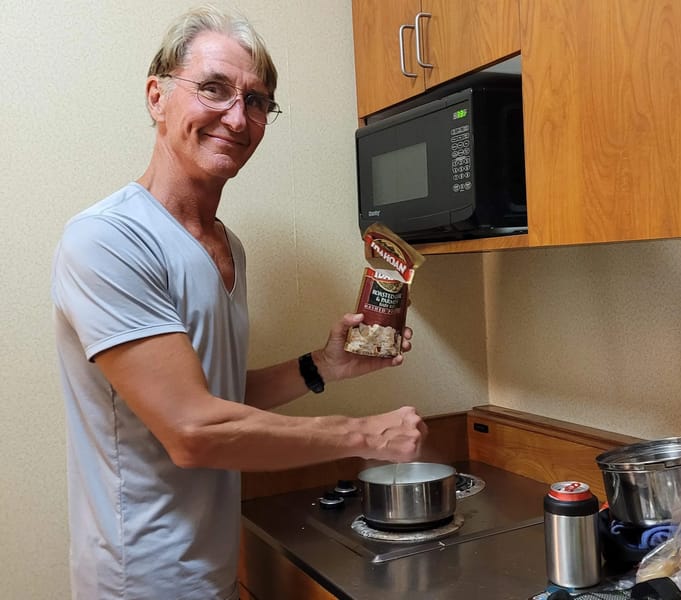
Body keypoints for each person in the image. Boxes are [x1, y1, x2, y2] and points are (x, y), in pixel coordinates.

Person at [50, 5, 427, 599]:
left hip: (213, 567)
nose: (237, 116)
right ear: (157, 96)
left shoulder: (227, 247)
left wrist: (321, 366)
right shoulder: (109, 239)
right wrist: (363, 435)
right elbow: (193, 429)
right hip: (140, 583)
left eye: (256, 101)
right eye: (214, 89)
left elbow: (211, 394)